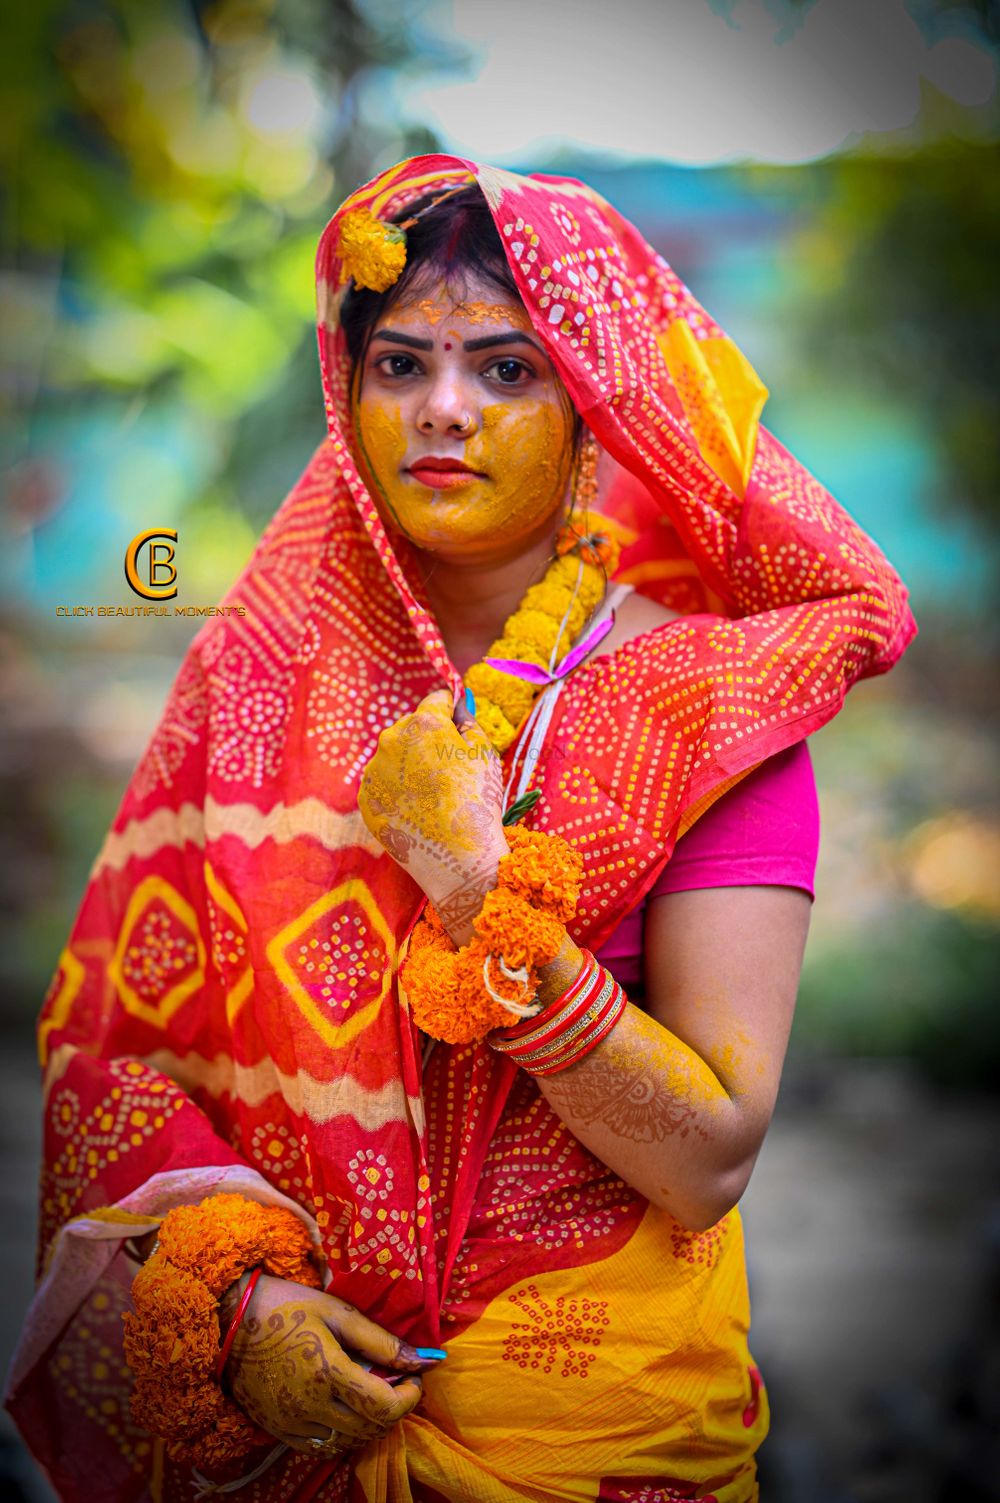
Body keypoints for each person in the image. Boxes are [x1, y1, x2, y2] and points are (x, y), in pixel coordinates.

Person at [5, 156, 914, 1503]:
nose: (443, 410)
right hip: (290, 1434)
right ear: (349, 392)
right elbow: (115, 1050)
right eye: (401, 367)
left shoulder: (707, 711)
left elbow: (710, 1154)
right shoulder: (255, 689)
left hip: (590, 1442)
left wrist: (474, 881)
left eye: (506, 370)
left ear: (592, 409)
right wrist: (238, 1303)